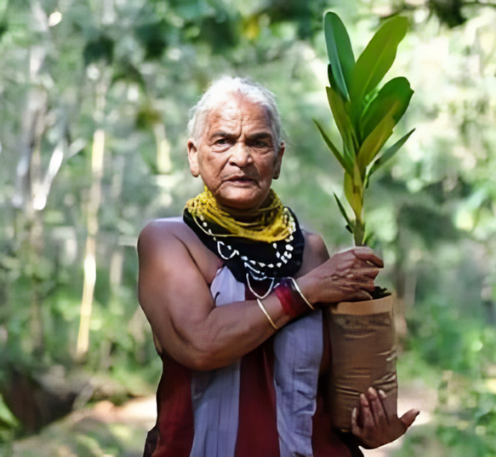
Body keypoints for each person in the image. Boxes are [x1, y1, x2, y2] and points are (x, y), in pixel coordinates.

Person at [137, 77, 419, 457]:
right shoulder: (167, 242)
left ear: (279, 158)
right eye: (223, 141)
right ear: (193, 154)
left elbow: (339, 395)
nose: (242, 158)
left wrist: (371, 427)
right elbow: (200, 344)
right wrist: (305, 292)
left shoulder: (311, 252)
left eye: (258, 142)